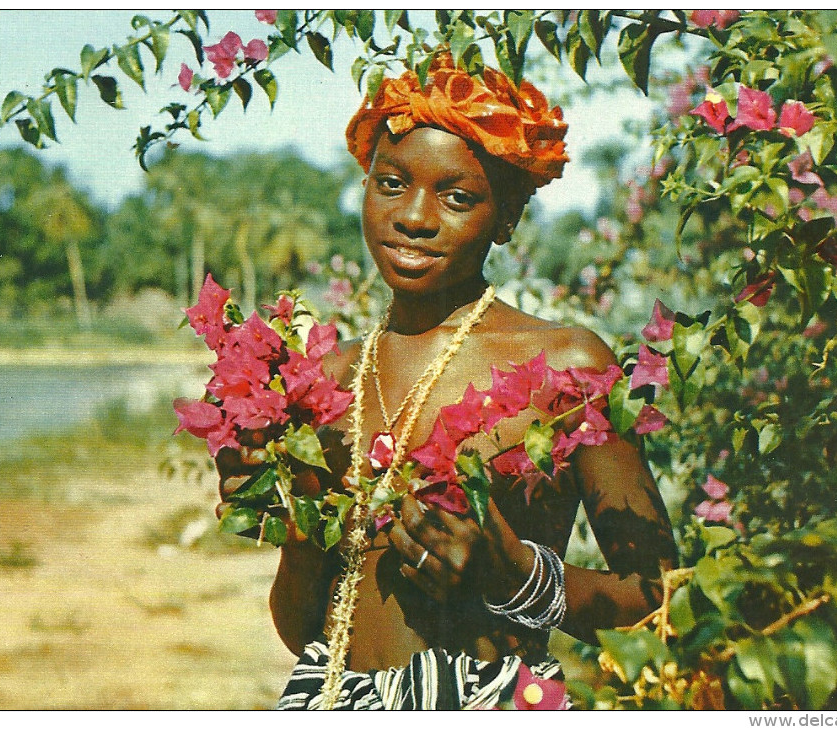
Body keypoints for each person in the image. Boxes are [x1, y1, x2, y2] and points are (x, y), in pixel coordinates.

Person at [216, 54, 677, 710]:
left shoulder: (564, 366)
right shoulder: (324, 379)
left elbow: (661, 599)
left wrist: (514, 575)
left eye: (457, 196)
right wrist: (295, 524)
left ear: (507, 217)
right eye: (390, 183)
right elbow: (307, 633)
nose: (414, 217)